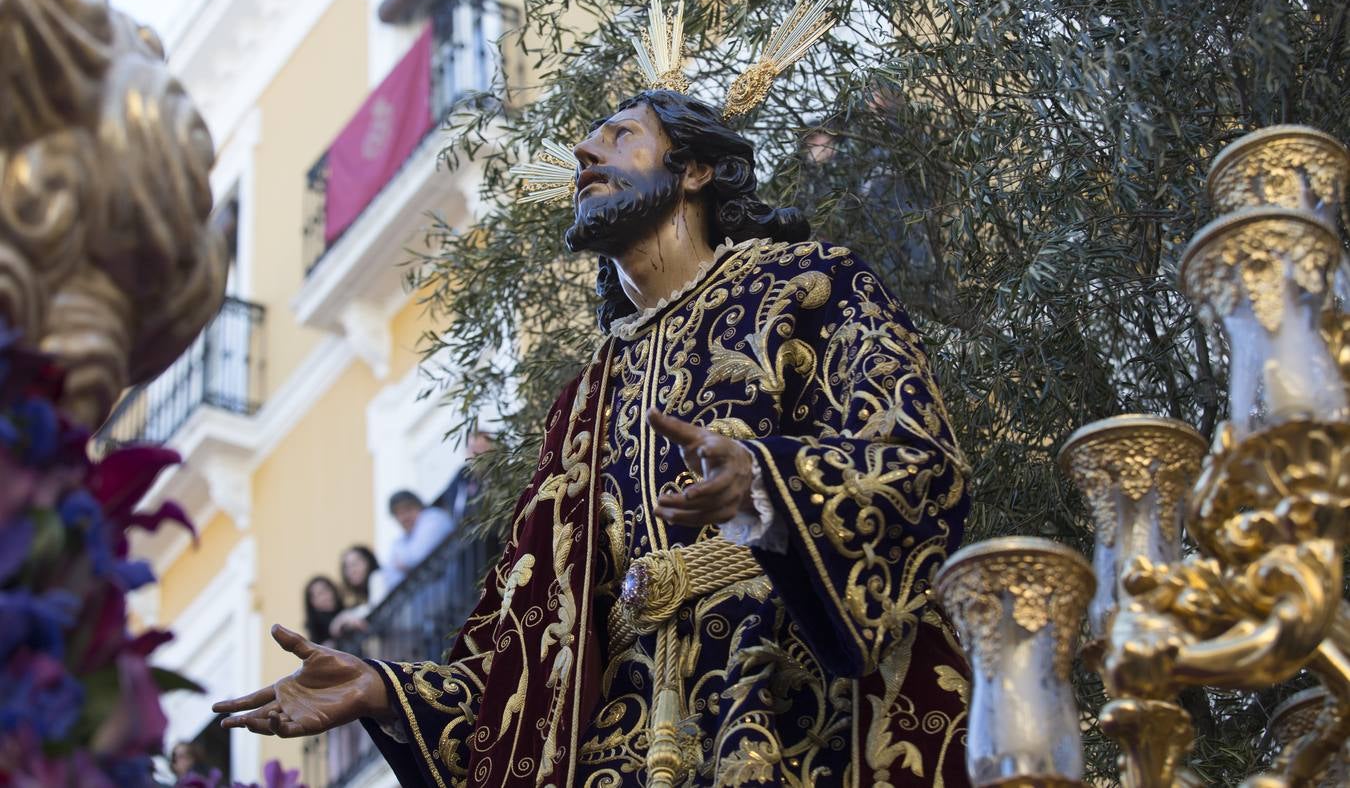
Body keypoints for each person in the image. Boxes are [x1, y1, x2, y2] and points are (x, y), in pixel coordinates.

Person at [216, 90, 972, 786]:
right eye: (585, 142)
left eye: (619, 135)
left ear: (698, 168)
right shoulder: (582, 404)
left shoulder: (807, 285)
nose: (584, 153)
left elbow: (920, 464)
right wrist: (386, 691)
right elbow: (523, 655)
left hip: (792, 706)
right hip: (626, 751)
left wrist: (769, 484)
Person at [384, 489, 453, 590]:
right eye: (398, 513)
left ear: (420, 507)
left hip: (448, 589)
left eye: (408, 509)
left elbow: (415, 558)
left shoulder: (433, 518)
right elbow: (392, 580)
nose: (404, 517)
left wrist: (404, 565)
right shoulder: (401, 540)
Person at [433, 429, 492, 525]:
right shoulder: (462, 476)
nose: (477, 455)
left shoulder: (502, 475)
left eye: (481, 449)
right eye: (473, 450)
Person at [329, 545, 386, 638]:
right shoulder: (367, 590)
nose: (351, 571)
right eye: (346, 567)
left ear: (368, 562)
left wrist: (345, 617)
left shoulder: (377, 577)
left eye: (354, 564)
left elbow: (377, 608)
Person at [301, 575, 345, 645]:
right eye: (319, 594)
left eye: (326, 590)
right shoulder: (317, 637)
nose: (324, 597)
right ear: (312, 602)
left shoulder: (349, 613)